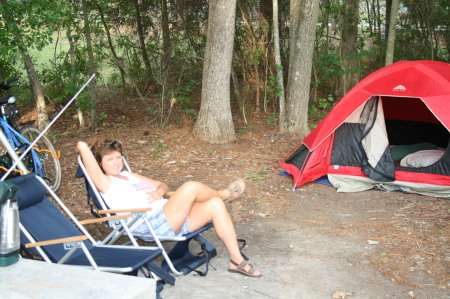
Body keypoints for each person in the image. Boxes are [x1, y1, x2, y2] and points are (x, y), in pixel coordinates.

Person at [77, 139, 262, 278]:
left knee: (215, 204)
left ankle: (236, 260)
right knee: (191, 187)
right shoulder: (106, 183)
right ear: (99, 163)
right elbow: (84, 152)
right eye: (109, 159)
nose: (116, 162)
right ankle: (225, 193)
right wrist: (83, 146)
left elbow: (163, 184)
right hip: (151, 224)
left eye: (118, 157)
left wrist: (158, 191)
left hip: (171, 216)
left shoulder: (128, 174)